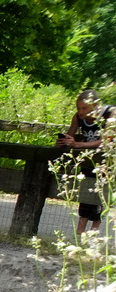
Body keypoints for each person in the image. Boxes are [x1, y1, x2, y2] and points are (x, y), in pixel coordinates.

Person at [57, 89, 113, 235]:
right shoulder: (78, 117)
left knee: (101, 196)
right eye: (78, 108)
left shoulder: (111, 114)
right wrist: (63, 142)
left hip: (108, 160)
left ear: (95, 105)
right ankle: (80, 232)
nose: (80, 112)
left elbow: (106, 141)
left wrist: (77, 145)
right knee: (86, 194)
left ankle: (94, 233)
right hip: (89, 160)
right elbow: (70, 135)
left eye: (84, 108)